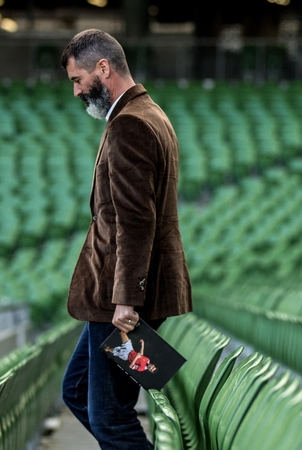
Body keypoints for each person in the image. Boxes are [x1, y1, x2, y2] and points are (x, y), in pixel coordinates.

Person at [59, 29, 193, 450]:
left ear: (104, 68)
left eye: (78, 80)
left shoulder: (130, 124)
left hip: (121, 300)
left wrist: (126, 301)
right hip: (118, 296)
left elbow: (135, 221)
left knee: (112, 416)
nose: (78, 91)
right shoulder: (148, 112)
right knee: (77, 391)